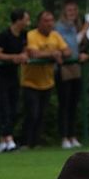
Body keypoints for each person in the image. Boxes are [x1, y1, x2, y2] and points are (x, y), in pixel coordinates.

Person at [22, 10, 70, 149]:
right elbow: (33, 53)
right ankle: (25, 142)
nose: (49, 23)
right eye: (46, 21)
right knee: (32, 113)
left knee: (42, 114)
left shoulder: (55, 35)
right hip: (30, 81)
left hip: (47, 81)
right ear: (39, 23)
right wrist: (53, 54)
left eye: (51, 20)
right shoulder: (31, 35)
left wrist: (60, 53)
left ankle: (36, 143)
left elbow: (67, 51)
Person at [0, 9, 30, 153]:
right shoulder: (4, 35)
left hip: (13, 75)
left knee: (13, 107)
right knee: (3, 107)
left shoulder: (24, 35)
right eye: (26, 19)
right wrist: (13, 57)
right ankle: (9, 138)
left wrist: (24, 55)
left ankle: (3, 141)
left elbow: (25, 49)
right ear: (18, 20)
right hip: (0, 76)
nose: (28, 22)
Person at [55, 0, 89, 149]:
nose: (72, 13)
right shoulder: (59, 27)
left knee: (74, 103)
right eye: (69, 10)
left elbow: (79, 45)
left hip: (75, 66)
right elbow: (68, 45)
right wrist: (84, 31)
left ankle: (72, 135)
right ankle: (64, 136)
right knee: (65, 103)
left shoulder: (77, 26)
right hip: (63, 67)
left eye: (74, 10)